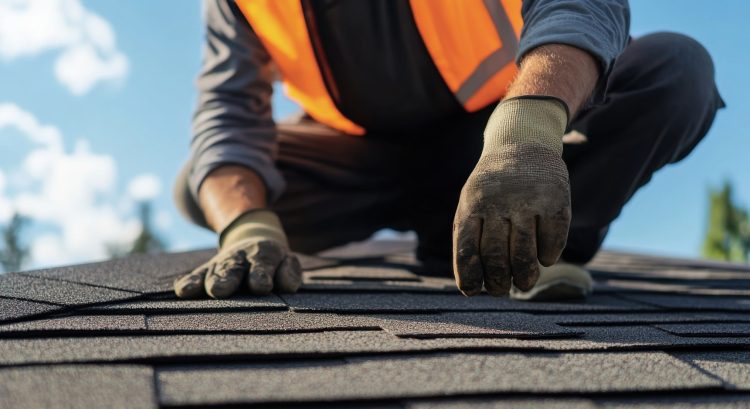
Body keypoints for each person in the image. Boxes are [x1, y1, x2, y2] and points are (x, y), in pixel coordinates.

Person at [174, 0, 724, 301]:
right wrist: (247, 228)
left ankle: (535, 250)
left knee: (676, 72)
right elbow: (225, 114)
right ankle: (461, 232)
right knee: (210, 186)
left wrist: (526, 132)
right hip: (367, 169)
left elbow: (577, 6)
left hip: (502, 141)